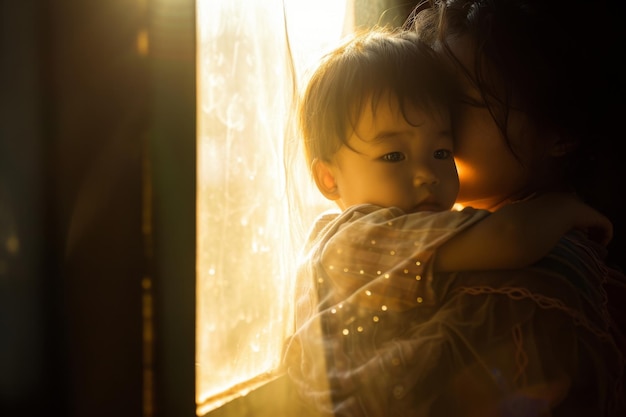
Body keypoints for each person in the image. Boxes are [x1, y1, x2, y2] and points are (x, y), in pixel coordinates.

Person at [282, 26, 619, 417]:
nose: (427, 173)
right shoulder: (357, 236)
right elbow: (509, 238)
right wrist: (562, 209)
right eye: (393, 156)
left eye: (441, 151)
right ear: (329, 178)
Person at [395, 0, 626, 416]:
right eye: (429, 94)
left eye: (461, 102)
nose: (428, 117)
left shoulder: (526, 287)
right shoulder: (471, 230)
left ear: (559, 133)